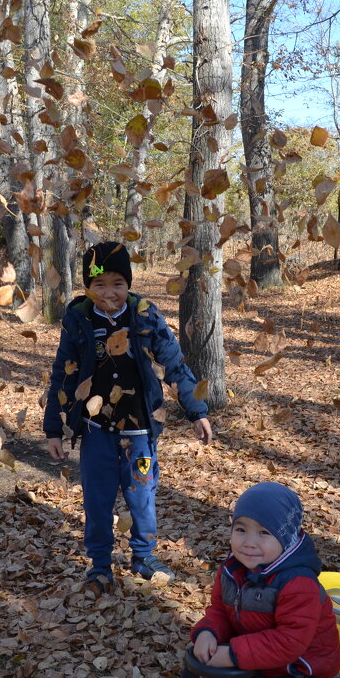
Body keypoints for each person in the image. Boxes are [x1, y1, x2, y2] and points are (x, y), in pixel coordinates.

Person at [44, 241, 213, 594]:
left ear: (129, 283)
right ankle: (100, 565)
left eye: (118, 283)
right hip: (96, 431)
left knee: (141, 495)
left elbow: (174, 364)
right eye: (100, 284)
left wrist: (196, 410)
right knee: (97, 498)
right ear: (88, 287)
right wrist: (53, 428)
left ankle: (144, 556)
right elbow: (63, 374)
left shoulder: (145, 314)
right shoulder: (78, 319)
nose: (109, 292)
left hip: (139, 429)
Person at [187, 483, 340, 678]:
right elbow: (220, 611)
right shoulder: (232, 570)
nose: (249, 542)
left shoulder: (297, 584)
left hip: (299, 671)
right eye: (241, 529)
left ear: (287, 538)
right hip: (256, 655)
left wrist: (232, 654)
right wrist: (208, 632)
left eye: (264, 533)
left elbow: (289, 642)